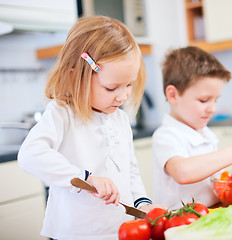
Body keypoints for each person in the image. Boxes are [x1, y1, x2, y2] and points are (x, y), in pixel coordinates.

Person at [18, 16, 162, 240]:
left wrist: (142, 203)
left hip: (120, 230)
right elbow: (30, 155)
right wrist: (85, 178)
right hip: (75, 232)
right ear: (76, 76)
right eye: (111, 87)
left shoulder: (121, 120)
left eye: (129, 85)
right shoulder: (62, 113)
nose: (123, 96)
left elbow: (130, 170)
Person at [152, 46, 232, 210]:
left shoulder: (205, 132)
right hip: (181, 222)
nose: (213, 108)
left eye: (216, 100)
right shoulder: (166, 135)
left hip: (211, 212)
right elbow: (183, 172)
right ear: (173, 95)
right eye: (204, 100)